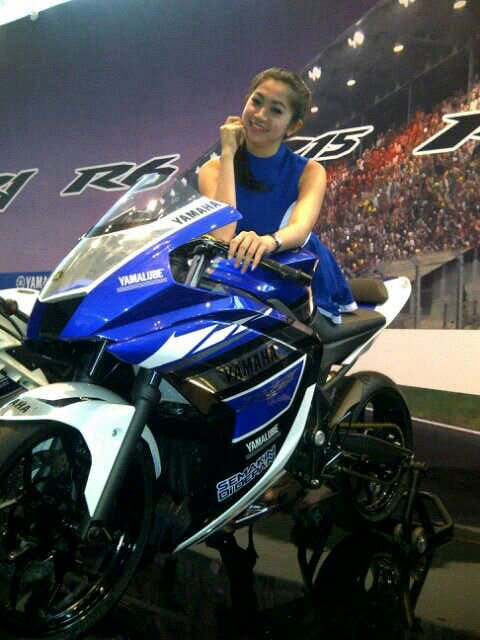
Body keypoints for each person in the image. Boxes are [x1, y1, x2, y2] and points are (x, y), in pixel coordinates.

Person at [198, 67, 356, 323]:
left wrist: (267, 242)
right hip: (239, 279)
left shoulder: (310, 171)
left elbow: (300, 229)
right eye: (256, 102)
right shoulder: (213, 169)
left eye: (276, 110)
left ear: (293, 126)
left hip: (298, 279)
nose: (260, 115)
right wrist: (227, 153)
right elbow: (222, 236)